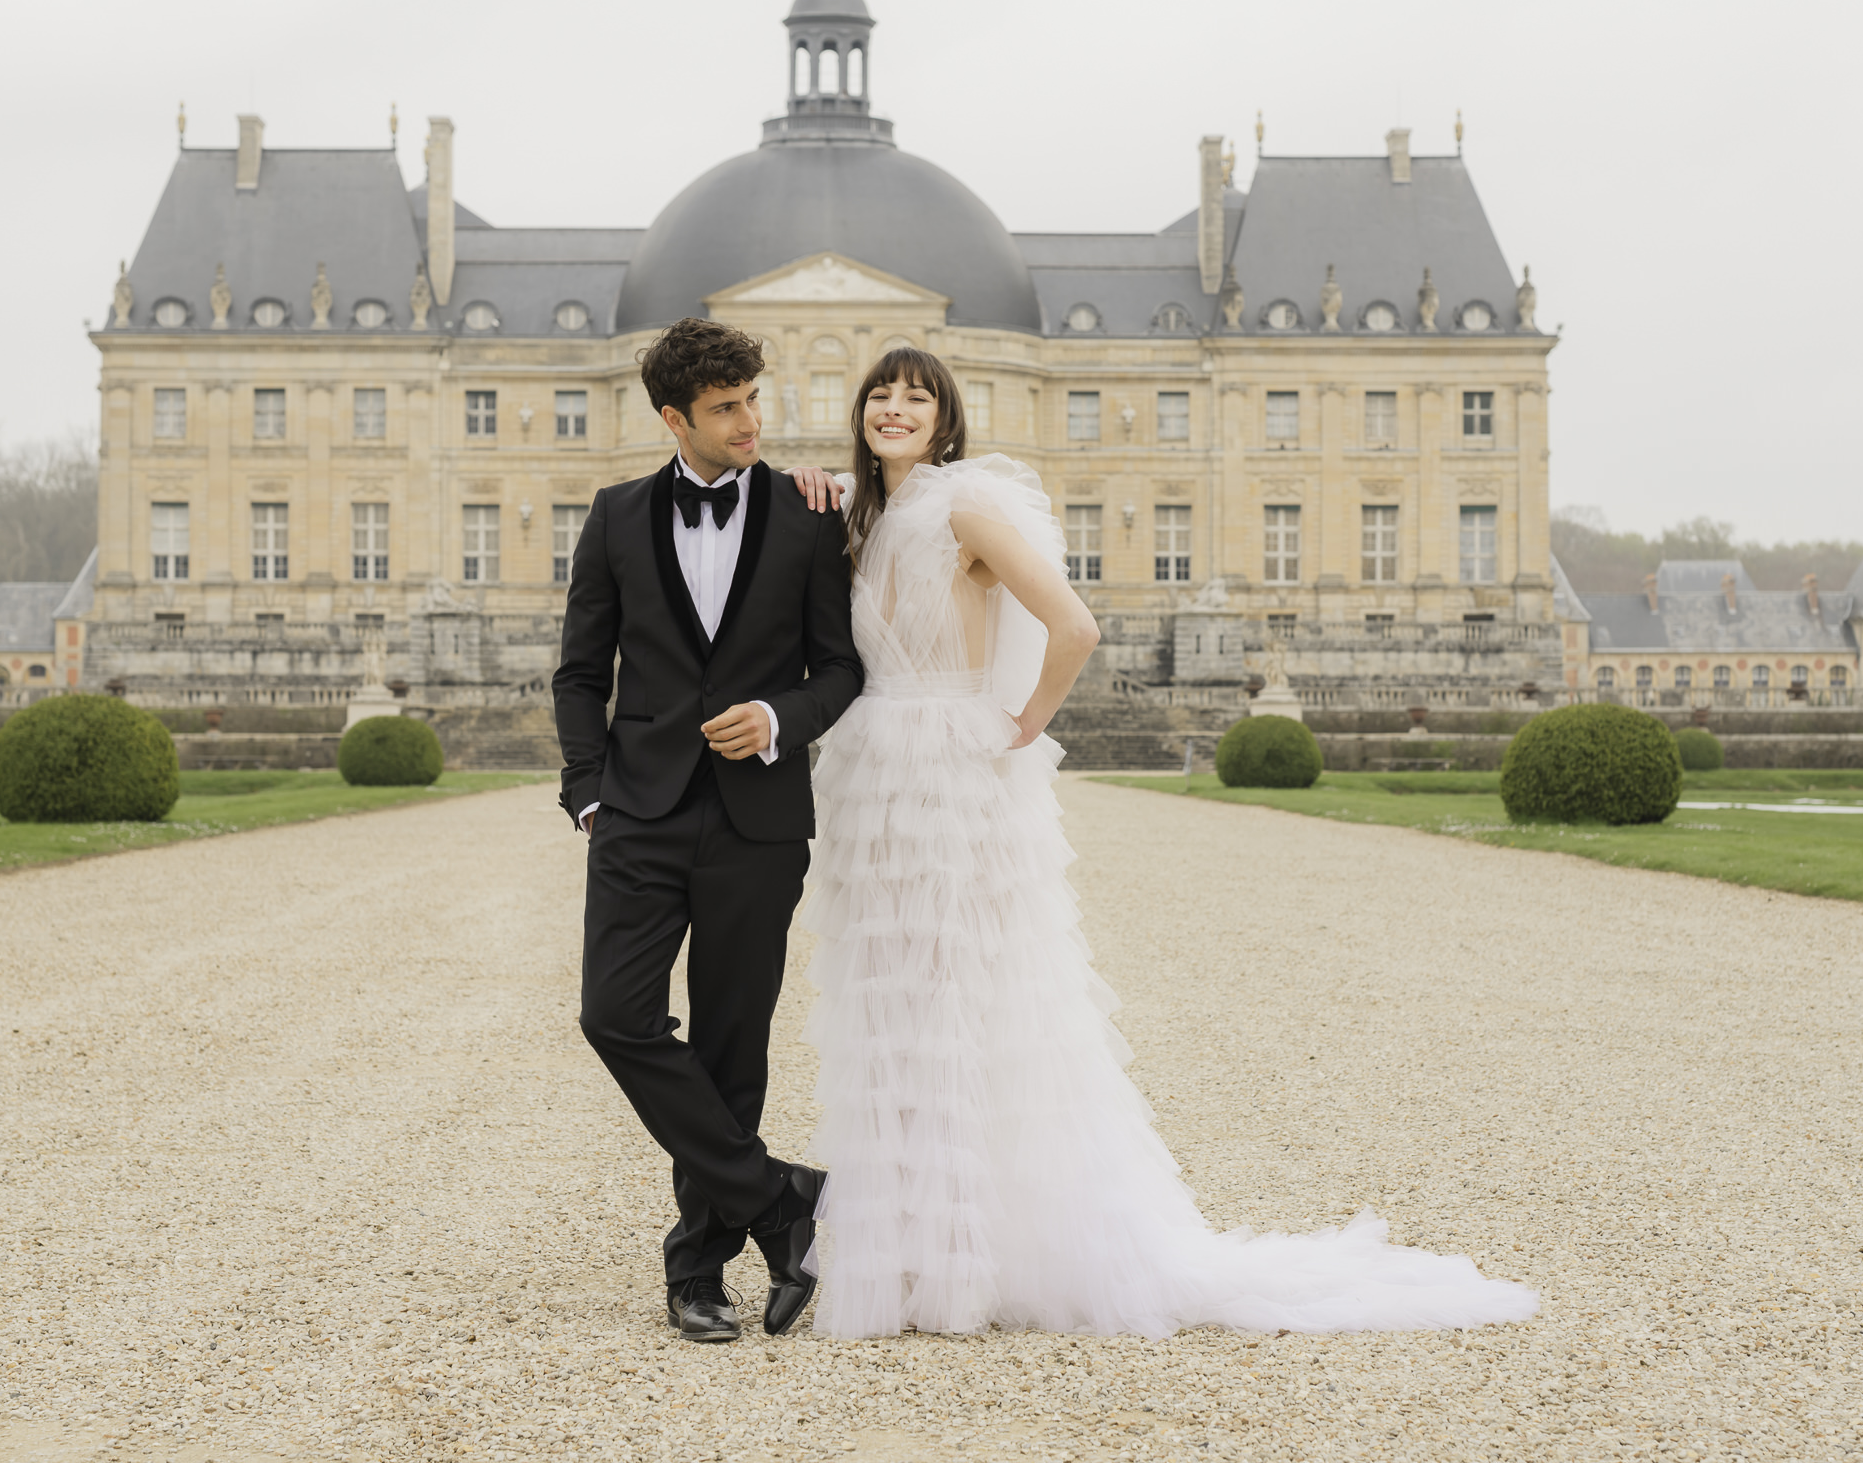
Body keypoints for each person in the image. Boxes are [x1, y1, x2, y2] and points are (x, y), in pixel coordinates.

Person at [792, 346, 1539, 1339]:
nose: (895, 407)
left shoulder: (966, 509)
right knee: (891, 1010)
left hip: (950, 774)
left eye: (916, 395)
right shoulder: (859, 519)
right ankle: (924, 1254)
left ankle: (969, 1262)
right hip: (874, 777)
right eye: (880, 392)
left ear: (945, 417)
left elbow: (1073, 624)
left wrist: (1020, 723)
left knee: (963, 1004)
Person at [554, 317, 861, 1343]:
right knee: (615, 1015)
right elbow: (581, 672)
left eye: (754, 401)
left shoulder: (810, 513)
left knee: (733, 1046)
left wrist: (779, 720)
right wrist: (588, 788)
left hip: (757, 818)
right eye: (726, 408)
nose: (750, 423)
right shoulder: (616, 514)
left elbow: (841, 669)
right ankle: (781, 1200)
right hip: (638, 810)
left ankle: (696, 1272)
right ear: (674, 417)